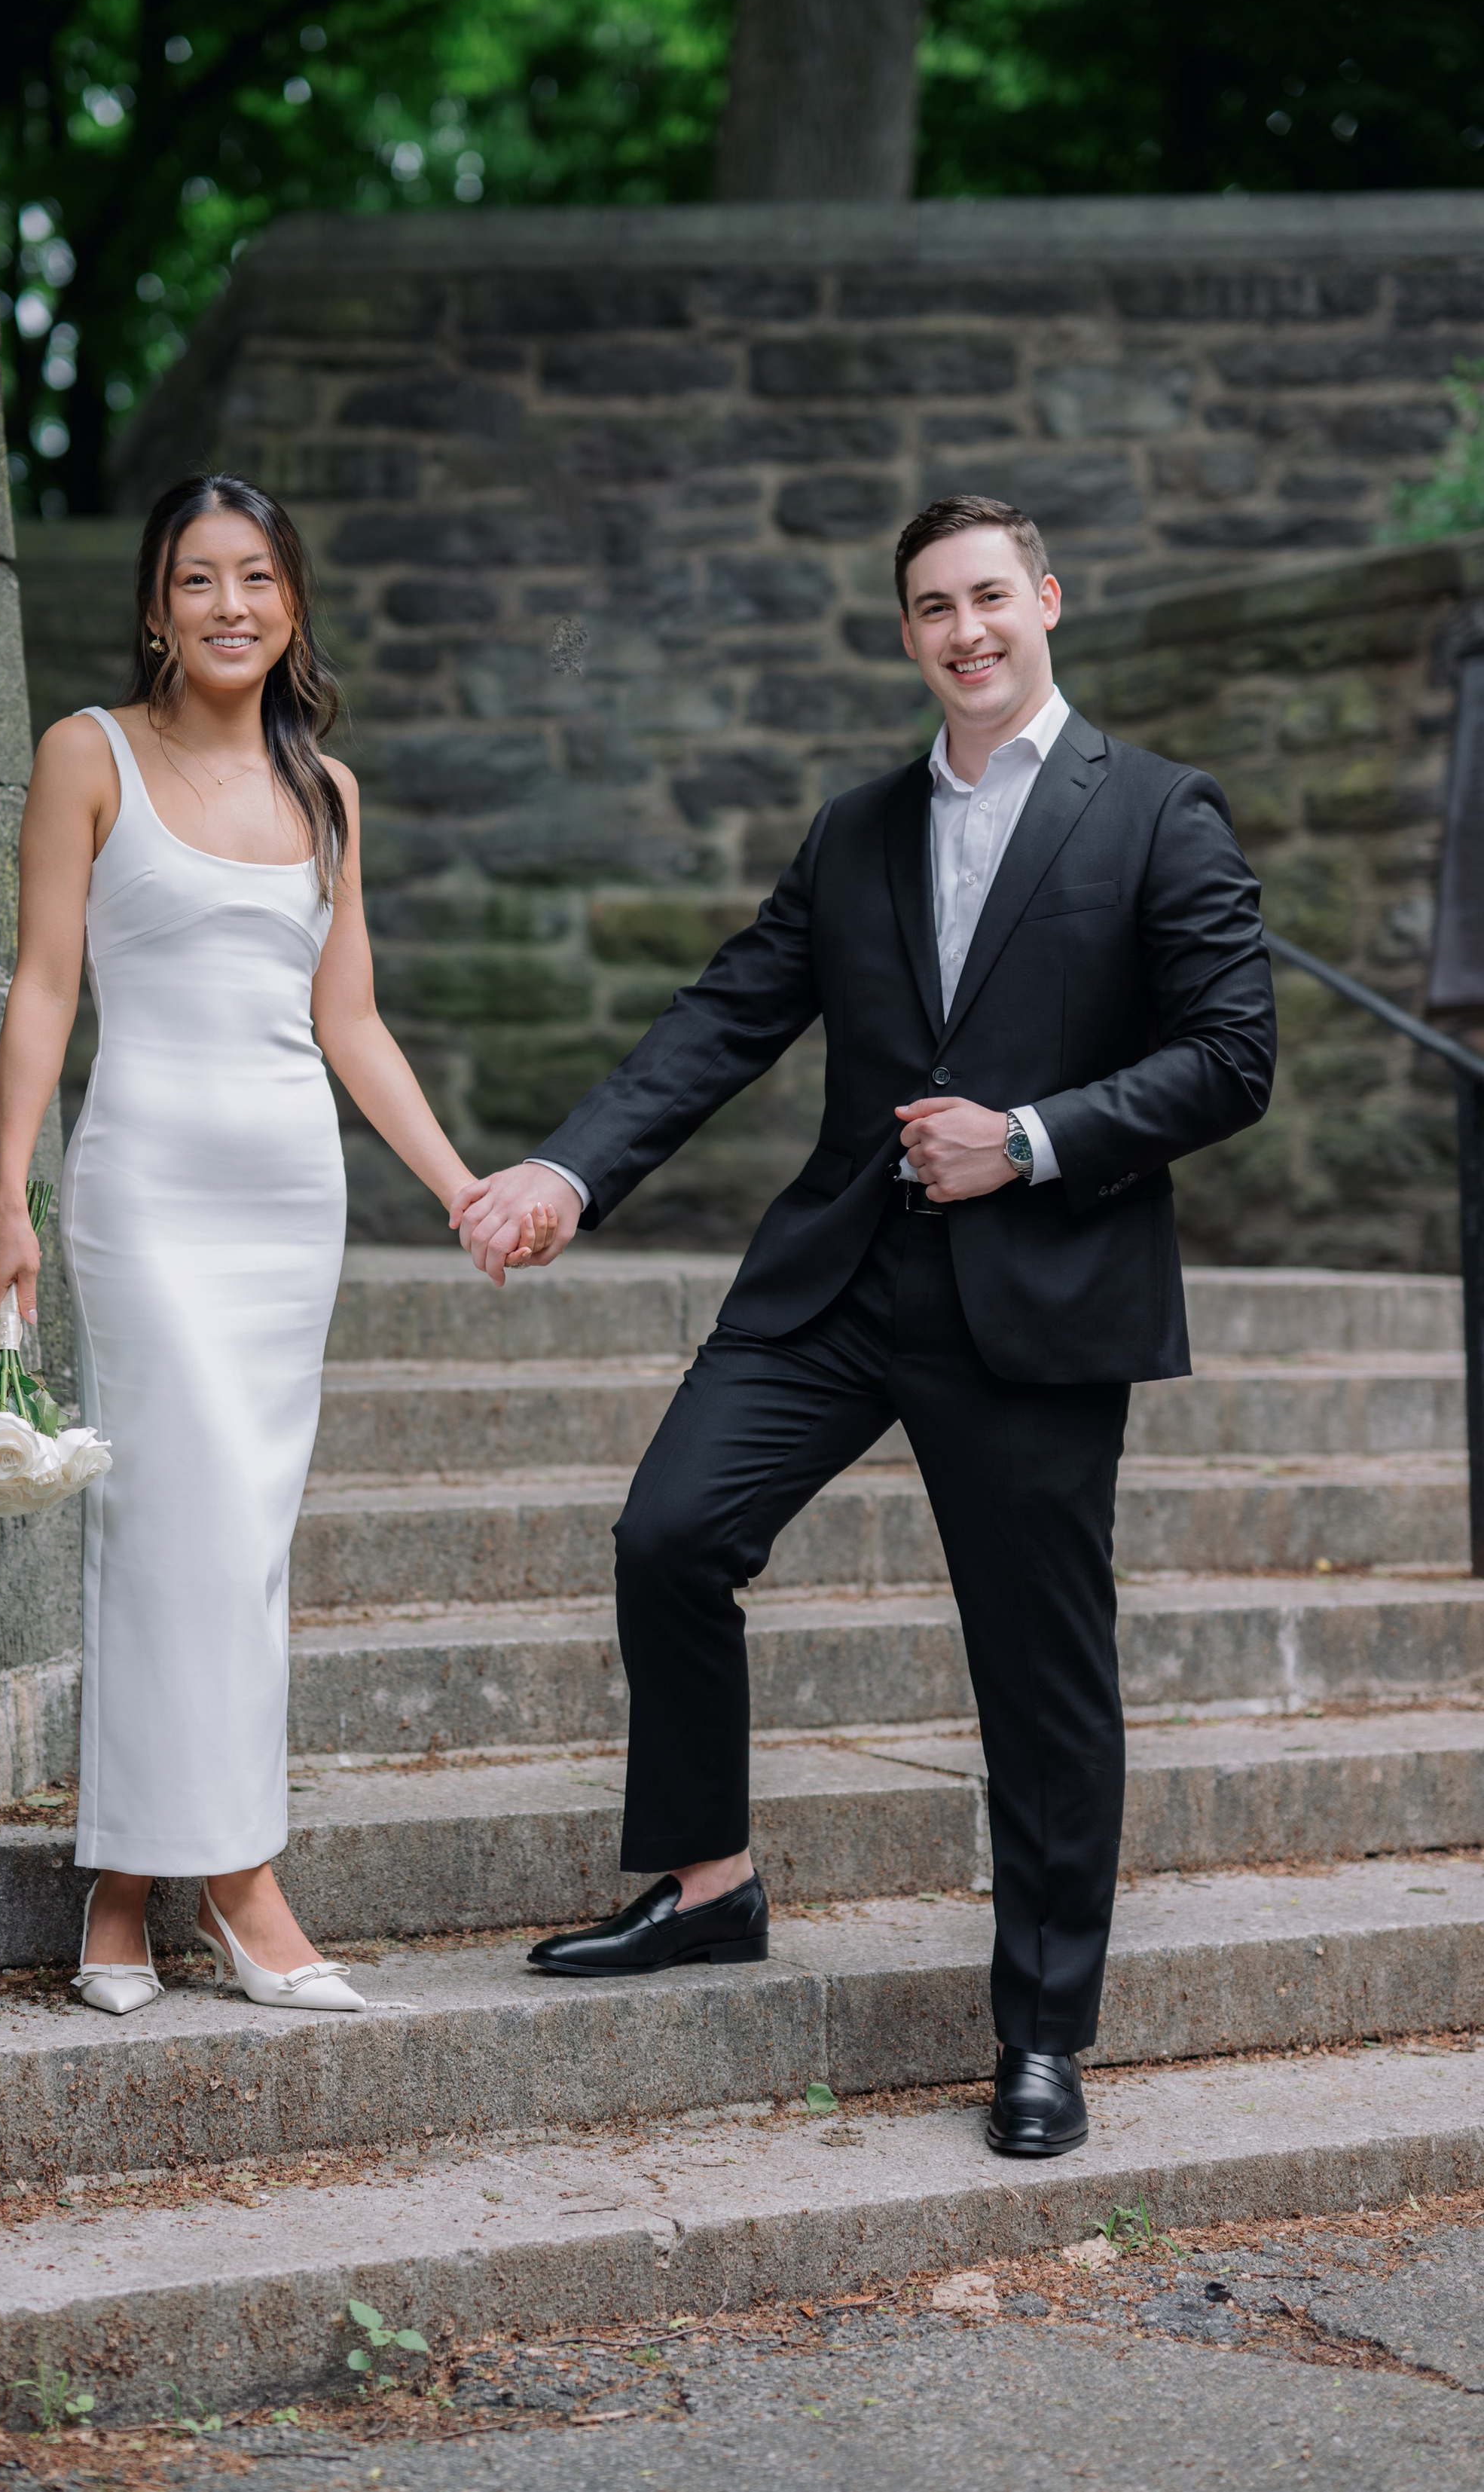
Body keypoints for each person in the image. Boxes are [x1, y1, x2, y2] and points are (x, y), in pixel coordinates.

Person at [452, 494, 1275, 2157]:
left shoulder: (1157, 815)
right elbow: (725, 1015)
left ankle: (1041, 2033)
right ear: (903, 633)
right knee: (669, 1533)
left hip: (1033, 1295)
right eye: (928, 607)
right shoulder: (854, 830)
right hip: (839, 1280)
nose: (964, 630)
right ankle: (707, 1886)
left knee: (1039, 1680)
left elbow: (1229, 1052)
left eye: (988, 595)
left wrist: (1026, 1138)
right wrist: (564, 1168)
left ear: (1043, 598)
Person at [0, 472, 555, 2020]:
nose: (228, 605)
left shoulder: (328, 792)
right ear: (155, 608)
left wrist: (454, 1186)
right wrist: (6, 1198)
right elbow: (42, 987)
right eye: (194, 579)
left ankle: (121, 1883)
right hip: (147, 1188)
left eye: (255, 577)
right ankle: (236, 1883)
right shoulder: (85, 754)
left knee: (242, 1543)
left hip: (288, 1200)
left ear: (289, 602)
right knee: (173, 1527)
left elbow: (346, 1020)